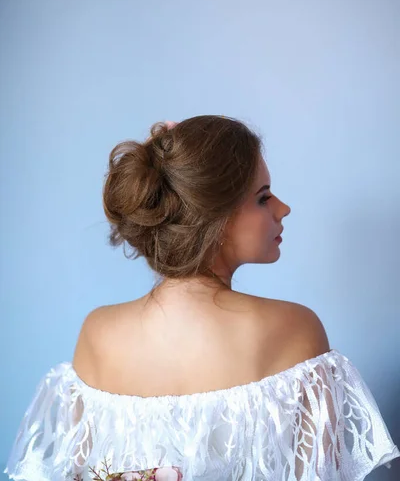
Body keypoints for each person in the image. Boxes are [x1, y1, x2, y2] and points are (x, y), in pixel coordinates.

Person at [4, 115, 400, 480]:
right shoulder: (295, 329)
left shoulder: (97, 332)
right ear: (215, 218)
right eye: (263, 197)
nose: (283, 208)